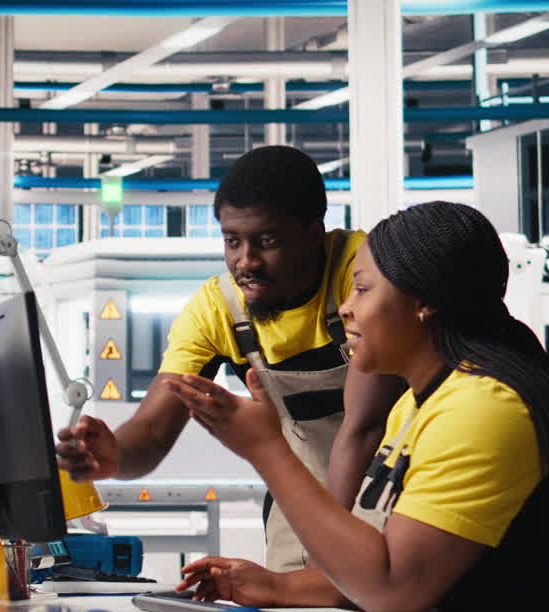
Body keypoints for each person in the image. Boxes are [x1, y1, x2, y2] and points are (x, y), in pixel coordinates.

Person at [167, 202, 549, 612]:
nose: (346, 308)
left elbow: (390, 588)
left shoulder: (483, 408)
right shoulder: (418, 403)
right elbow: (373, 562)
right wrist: (272, 586)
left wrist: (266, 449)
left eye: (363, 290)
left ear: (423, 302)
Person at [55, 146, 405, 572]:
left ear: (315, 231)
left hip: (396, 502)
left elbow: (363, 428)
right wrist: (115, 456)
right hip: (300, 514)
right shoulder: (218, 308)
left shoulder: (363, 271)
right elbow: (151, 431)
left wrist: (331, 557)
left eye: (267, 241)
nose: (246, 262)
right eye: (232, 241)